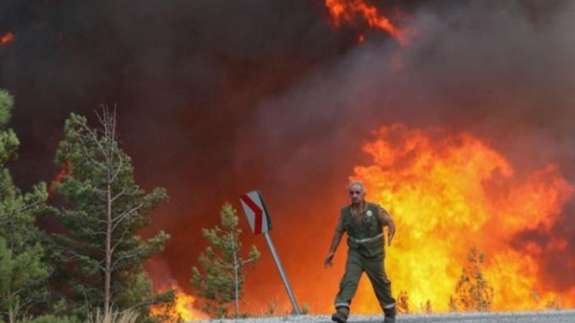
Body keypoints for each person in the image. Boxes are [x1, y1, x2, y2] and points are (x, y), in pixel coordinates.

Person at [324, 180, 397, 323]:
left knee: (381, 283)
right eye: (351, 193)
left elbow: (389, 220)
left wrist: (390, 229)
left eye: (357, 193)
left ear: (364, 194)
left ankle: (389, 312)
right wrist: (331, 252)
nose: (354, 195)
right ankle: (342, 311)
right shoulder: (345, 213)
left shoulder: (375, 210)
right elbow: (338, 232)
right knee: (349, 280)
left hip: (374, 254)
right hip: (356, 253)